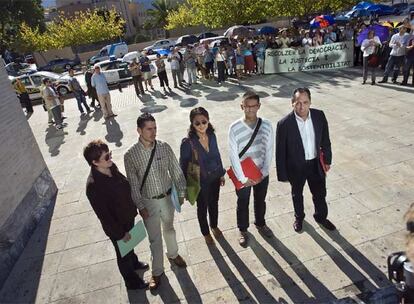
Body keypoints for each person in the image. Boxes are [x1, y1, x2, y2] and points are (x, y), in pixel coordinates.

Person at [124, 113, 187, 291]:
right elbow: (134, 185)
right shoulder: (131, 155)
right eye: (149, 129)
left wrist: (181, 192)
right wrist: (140, 206)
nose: (153, 132)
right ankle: (157, 272)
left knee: (169, 229)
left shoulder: (164, 147)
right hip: (148, 202)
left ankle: (173, 255)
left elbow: (176, 170)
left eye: (155, 128)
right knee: (154, 239)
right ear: (139, 130)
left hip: (167, 198)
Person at [84, 140, 149, 290]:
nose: (110, 159)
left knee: (130, 247)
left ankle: (135, 263)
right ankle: (131, 281)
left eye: (110, 154)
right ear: (94, 162)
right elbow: (104, 216)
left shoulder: (111, 167)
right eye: (106, 157)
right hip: (117, 227)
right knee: (123, 254)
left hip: (128, 216)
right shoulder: (93, 186)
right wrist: (120, 234)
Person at [275, 87, 336, 233]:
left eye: (305, 102)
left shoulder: (319, 116)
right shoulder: (284, 124)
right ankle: (299, 217)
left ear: (310, 102)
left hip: (315, 164)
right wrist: (282, 175)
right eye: (298, 103)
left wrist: (327, 159)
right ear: (292, 103)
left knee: (320, 194)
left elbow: (325, 140)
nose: (301, 106)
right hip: (296, 167)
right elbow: (280, 152)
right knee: (297, 194)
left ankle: (321, 217)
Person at [228, 91, 274, 247]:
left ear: (259, 106)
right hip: (243, 174)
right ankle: (243, 230)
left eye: (253, 106)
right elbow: (233, 155)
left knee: (260, 200)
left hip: (261, 172)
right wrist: (242, 178)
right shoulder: (234, 128)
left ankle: (260, 223)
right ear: (242, 106)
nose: (250, 109)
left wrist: (265, 172)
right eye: (246, 106)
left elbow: (269, 149)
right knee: (243, 202)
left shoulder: (267, 125)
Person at [180, 107, 226, 245]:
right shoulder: (188, 142)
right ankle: (205, 233)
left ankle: (214, 225)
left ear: (208, 121)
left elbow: (217, 154)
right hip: (200, 182)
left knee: (214, 203)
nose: (201, 125)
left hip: (214, 178)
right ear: (192, 125)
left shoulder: (212, 135)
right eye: (197, 123)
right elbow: (183, 165)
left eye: (204, 121)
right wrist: (186, 187)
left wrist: (221, 174)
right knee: (202, 207)